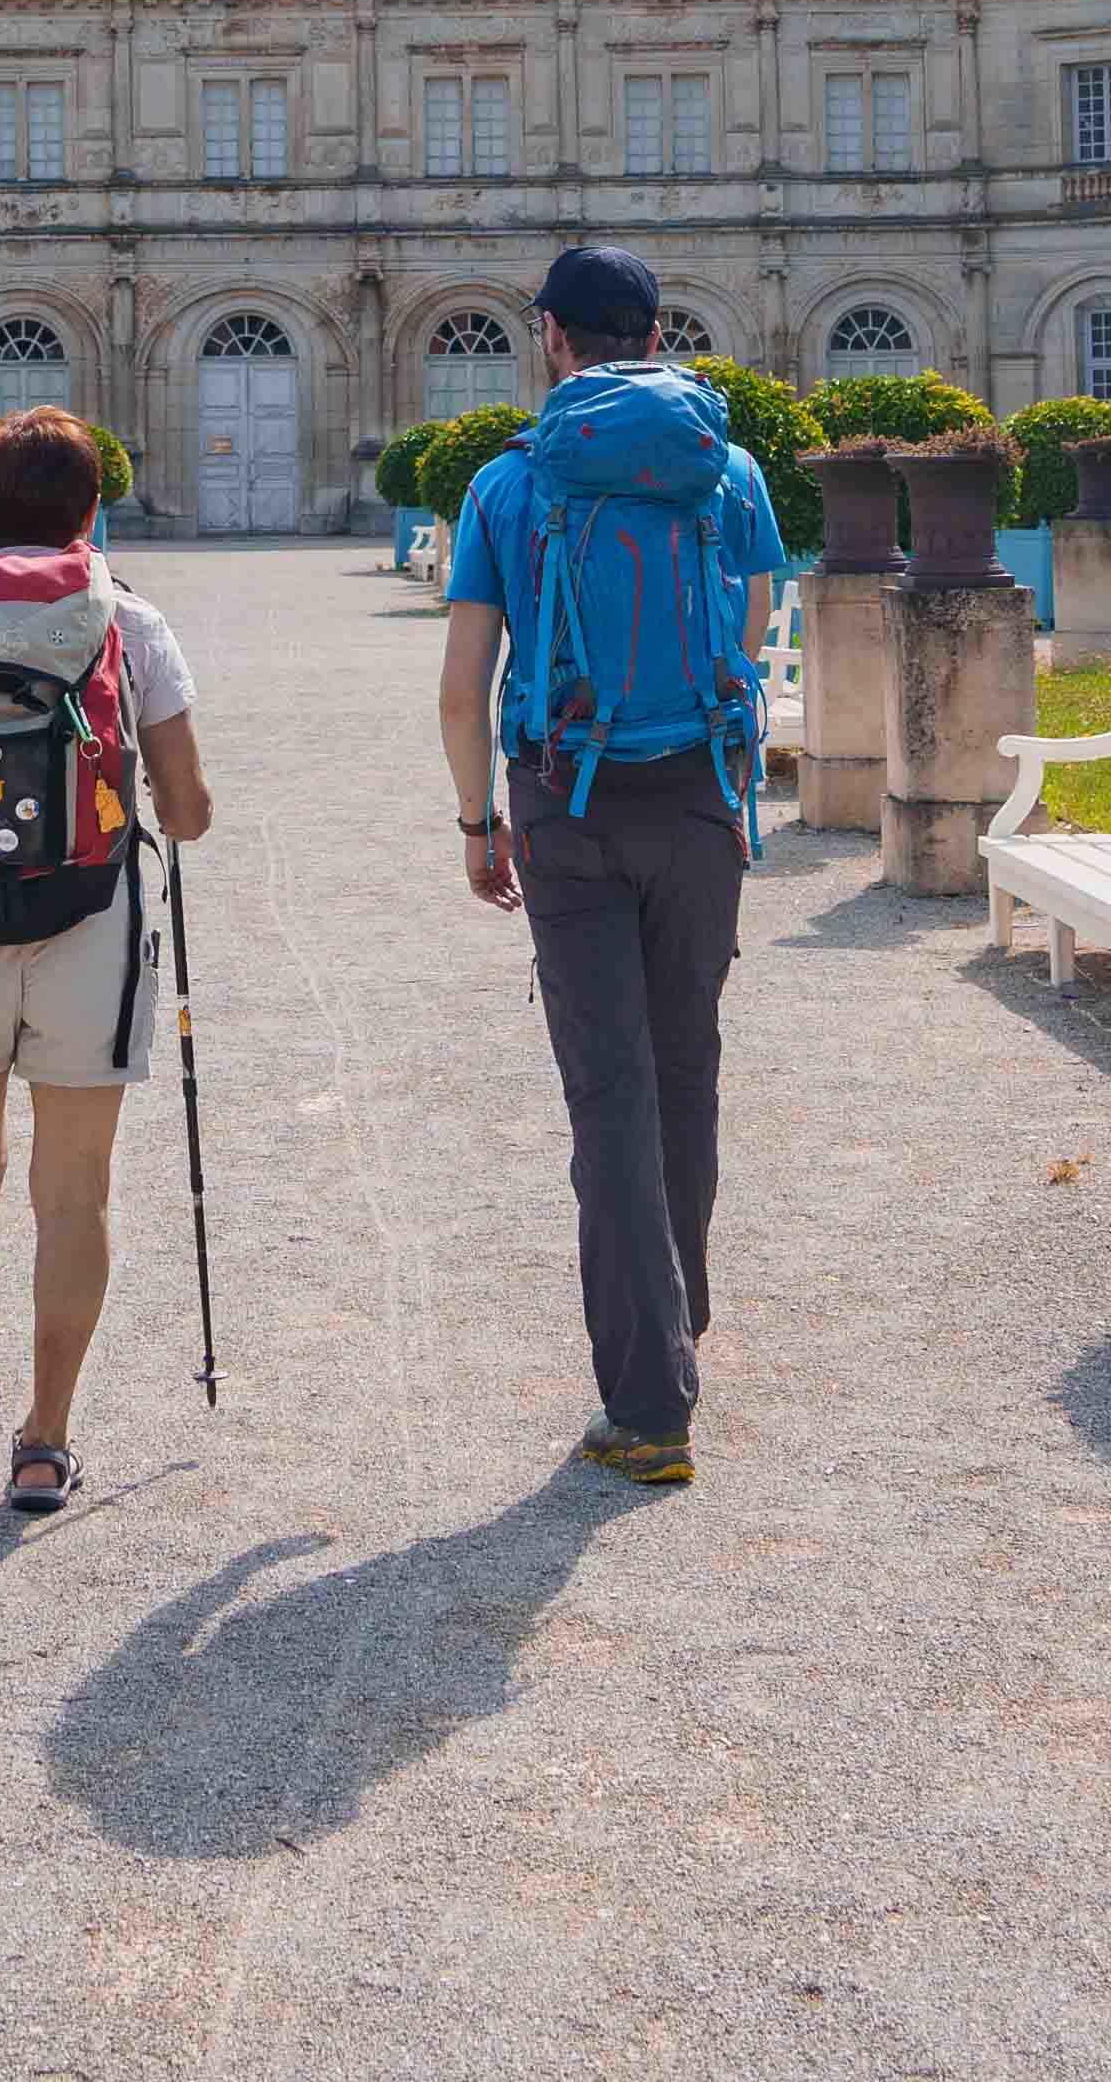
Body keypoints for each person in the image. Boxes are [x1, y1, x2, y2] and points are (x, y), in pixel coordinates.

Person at [434, 247, 784, 1486]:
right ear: (655, 331)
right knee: (686, 1069)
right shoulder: (726, 468)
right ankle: (675, 1321)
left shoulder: (508, 483)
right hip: (700, 799)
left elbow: (464, 683)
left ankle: (647, 1404)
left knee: (609, 1093)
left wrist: (478, 820)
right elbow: (745, 639)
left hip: (565, 806)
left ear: (552, 337)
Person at [0, 404, 209, 1522]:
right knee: (76, 1191)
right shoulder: (132, 623)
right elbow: (190, 812)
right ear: (93, 509)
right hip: (87, 923)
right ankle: (46, 1442)